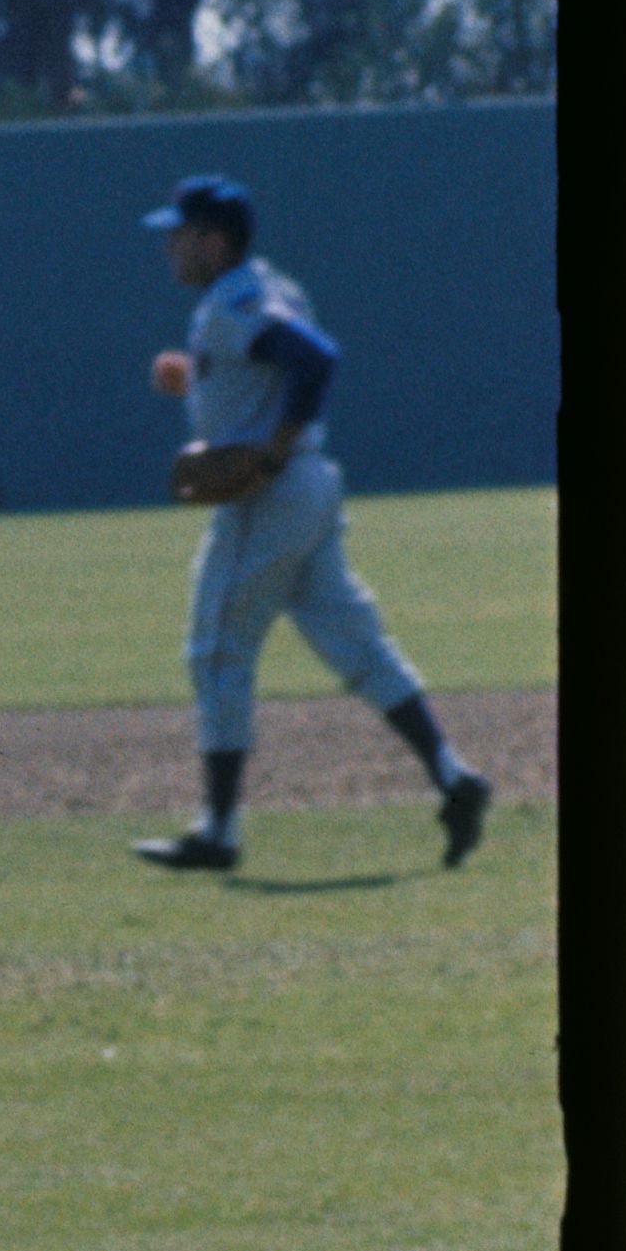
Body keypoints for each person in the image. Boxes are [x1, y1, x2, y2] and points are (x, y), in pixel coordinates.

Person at [129, 173, 491, 875]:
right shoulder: (260, 286)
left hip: (270, 496)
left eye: (181, 233)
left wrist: (274, 447)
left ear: (215, 239)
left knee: (217, 653)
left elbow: (314, 359)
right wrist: (196, 381)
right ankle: (453, 777)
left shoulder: (234, 300)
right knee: (357, 644)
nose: (170, 246)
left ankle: (219, 834)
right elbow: (269, 364)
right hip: (307, 491)